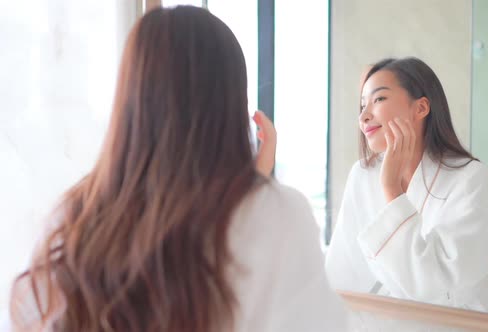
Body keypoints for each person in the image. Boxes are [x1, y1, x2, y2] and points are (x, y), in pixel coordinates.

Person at [10, 6, 348, 332]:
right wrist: (256, 191)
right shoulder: (280, 216)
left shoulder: (75, 217)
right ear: (232, 102)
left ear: (129, 101)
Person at [326, 57, 488, 315]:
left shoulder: (471, 178)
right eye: (362, 105)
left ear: (421, 108)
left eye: (378, 100)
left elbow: (438, 288)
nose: (364, 116)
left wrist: (391, 190)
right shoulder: (363, 175)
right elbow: (342, 273)